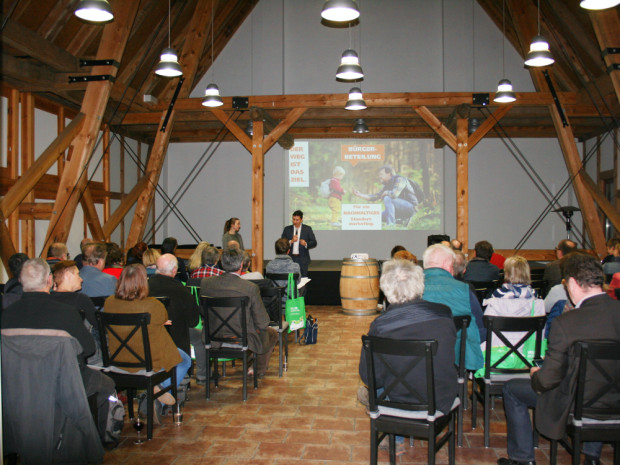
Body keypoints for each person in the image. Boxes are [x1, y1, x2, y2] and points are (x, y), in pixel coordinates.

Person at [497, 253, 620, 465]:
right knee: (598, 384)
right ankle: (592, 457)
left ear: (572, 283)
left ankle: (522, 458)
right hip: (615, 402)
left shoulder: (565, 323)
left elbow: (548, 381)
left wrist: (537, 375)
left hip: (573, 404)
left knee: (512, 389)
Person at [2, 258, 116, 444]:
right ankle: (94, 441)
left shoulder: (7, 314)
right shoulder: (66, 313)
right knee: (107, 385)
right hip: (63, 383)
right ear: (49, 280)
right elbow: (88, 349)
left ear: (21, 282)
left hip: (17, 385)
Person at [358, 259, 457, 456]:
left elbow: (369, 376)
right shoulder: (444, 314)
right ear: (421, 284)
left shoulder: (381, 326)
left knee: (368, 389)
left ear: (385, 289)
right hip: (440, 398)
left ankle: (394, 434)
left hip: (396, 400)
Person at [104, 264, 191, 413]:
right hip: (148, 359)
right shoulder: (153, 305)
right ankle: (159, 396)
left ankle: (156, 393)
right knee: (184, 360)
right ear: (144, 283)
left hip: (120, 358)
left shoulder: (109, 303)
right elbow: (163, 317)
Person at [201, 247, 278, 378]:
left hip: (213, 337)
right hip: (242, 339)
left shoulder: (206, 284)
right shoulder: (250, 288)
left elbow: (203, 313)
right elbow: (263, 322)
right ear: (241, 265)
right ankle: (256, 370)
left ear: (221, 262)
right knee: (271, 333)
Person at [422, 244, 485, 371]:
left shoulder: (409, 290)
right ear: (446, 264)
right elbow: (480, 328)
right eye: (452, 266)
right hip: (456, 363)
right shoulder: (465, 291)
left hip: (418, 361)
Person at [482, 255, 545, 349]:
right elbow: (541, 333)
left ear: (506, 274)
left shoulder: (496, 299)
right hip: (527, 353)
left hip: (499, 354)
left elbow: (486, 328)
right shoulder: (537, 301)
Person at [148, 254, 199, 356]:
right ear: (174, 270)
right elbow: (193, 321)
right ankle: (202, 372)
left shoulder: (144, 287)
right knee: (201, 337)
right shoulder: (182, 290)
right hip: (178, 340)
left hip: (149, 336)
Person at [353, 165, 418, 226]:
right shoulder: (387, 185)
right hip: (399, 211)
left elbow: (394, 194)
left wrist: (386, 192)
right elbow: (375, 197)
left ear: (389, 174)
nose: (379, 176)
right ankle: (400, 221)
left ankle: (390, 226)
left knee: (387, 198)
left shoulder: (400, 179)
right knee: (376, 216)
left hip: (410, 208)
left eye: (381, 174)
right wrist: (360, 195)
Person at [280, 210, 317, 278]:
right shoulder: (287, 229)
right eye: (293, 219)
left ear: (301, 220)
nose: (295, 222)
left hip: (303, 259)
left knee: (303, 279)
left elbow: (314, 242)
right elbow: (282, 243)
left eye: (297, 220)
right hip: (290, 259)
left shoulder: (307, 229)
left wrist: (306, 244)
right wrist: (291, 241)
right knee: (290, 279)